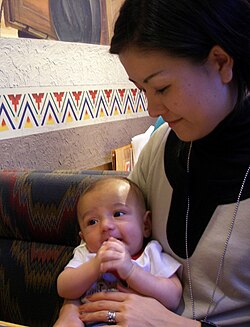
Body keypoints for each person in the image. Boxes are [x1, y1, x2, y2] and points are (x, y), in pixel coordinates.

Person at [54, 0, 250, 326]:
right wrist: (72, 309)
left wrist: (168, 323)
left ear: (220, 62)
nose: (151, 109)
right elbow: (104, 244)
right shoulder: (160, 148)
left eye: (161, 87)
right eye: (142, 89)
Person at [56, 176, 182, 326]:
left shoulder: (151, 253)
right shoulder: (86, 254)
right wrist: (96, 266)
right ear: (83, 238)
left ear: (146, 225)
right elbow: (63, 288)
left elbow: (173, 297)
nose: (106, 226)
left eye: (118, 214)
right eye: (92, 222)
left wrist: (131, 271)